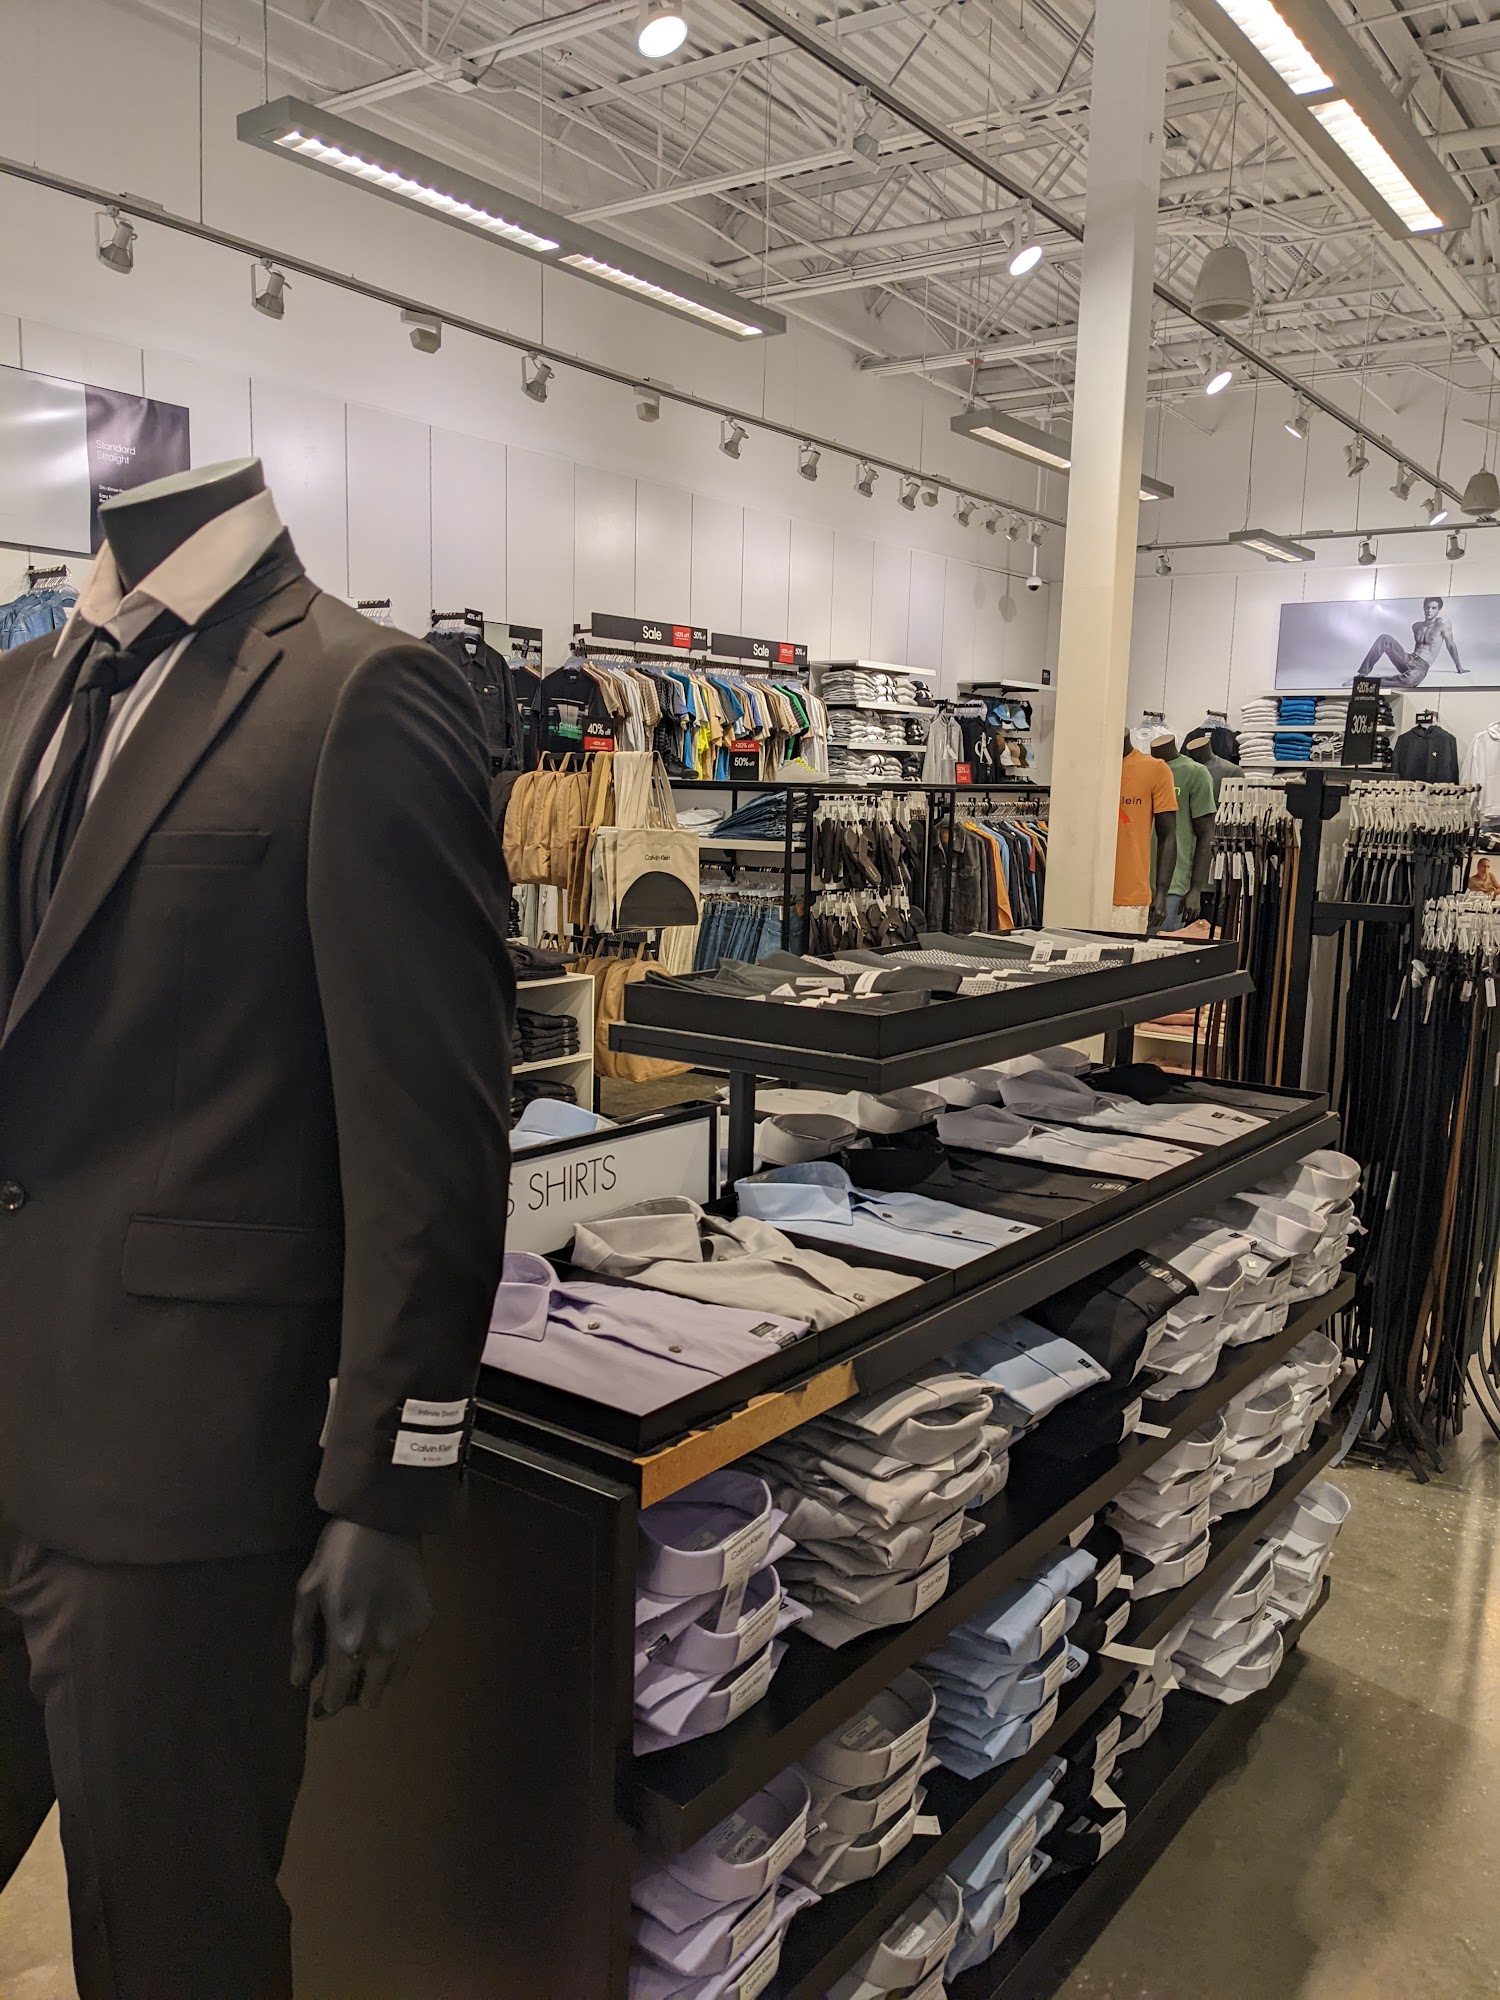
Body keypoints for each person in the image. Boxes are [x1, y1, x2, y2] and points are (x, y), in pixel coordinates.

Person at [1356, 597, 1466, 686]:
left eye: (1433, 608)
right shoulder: (1416, 626)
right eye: (1427, 607)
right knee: (1384, 638)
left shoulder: (1443, 623)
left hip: (1422, 666)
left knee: (1410, 681)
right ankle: (1362, 674)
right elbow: (1418, 647)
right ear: (1424, 608)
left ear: (1439, 610)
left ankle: (1371, 682)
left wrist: (1458, 666)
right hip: (1409, 659)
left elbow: (1450, 645)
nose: (1429, 610)